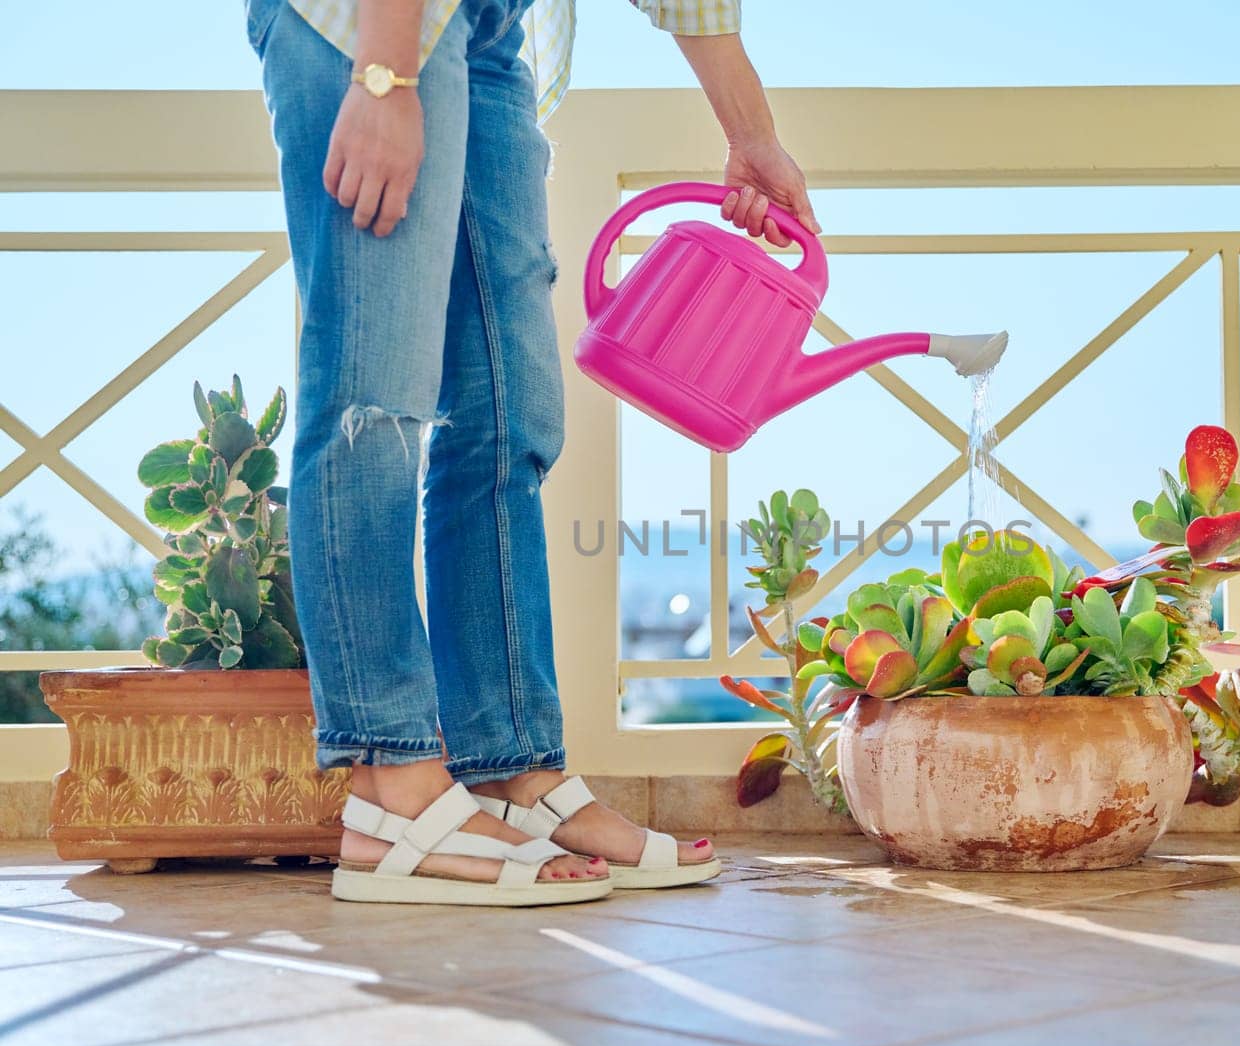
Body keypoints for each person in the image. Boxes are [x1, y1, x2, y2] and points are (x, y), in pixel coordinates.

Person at [244, 0, 819, 905]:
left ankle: (513, 773)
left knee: (510, 419)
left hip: (488, 38)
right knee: (374, 396)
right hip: (375, 24)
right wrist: (384, 71)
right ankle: (390, 785)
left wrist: (752, 135)